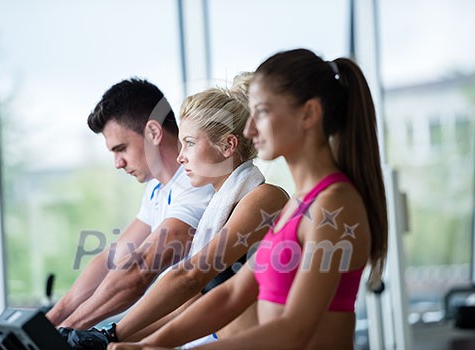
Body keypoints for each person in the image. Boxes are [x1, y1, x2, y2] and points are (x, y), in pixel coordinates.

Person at [110, 48, 388, 350]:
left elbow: (293, 330)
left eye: (263, 112)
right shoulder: (297, 204)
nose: (249, 128)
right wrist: (147, 344)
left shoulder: (334, 204)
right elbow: (230, 296)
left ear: (308, 114)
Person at [62, 73, 290, 349]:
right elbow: (192, 303)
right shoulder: (221, 208)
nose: (181, 156)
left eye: (190, 143)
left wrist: (113, 334)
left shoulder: (263, 198)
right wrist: (111, 338)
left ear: (228, 145)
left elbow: (190, 277)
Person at [46, 78, 215, 331]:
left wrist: (69, 329)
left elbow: (141, 269)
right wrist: (51, 321)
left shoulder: (197, 184)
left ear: (154, 133)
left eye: (121, 149)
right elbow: (112, 259)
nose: (118, 163)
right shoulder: (156, 189)